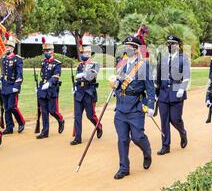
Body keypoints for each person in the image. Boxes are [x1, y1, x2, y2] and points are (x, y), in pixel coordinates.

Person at [111, 36, 155, 180]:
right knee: (122, 139)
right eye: (126, 46)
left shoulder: (144, 65)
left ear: (136, 50)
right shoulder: (121, 64)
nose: (128, 48)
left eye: (131, 46)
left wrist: (151, 106)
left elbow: (150, 88)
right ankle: (124, 168)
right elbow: (119, 82)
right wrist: (115, 85)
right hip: (121, 107)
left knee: (137, 137)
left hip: (136, 106)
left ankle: (147, 150)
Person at [156, 35, 189, 156]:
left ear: (178, 45)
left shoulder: (183, 59)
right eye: (169, 44)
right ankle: (165, 145)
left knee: (175, 118)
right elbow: (158, 78)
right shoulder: (163, 59)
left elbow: (186, 76)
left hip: (177, 91)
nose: (170, 46)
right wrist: (156, 93)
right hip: (163, 94)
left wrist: (182, 88)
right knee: (164, 120)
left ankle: (182, 132)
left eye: (173, 44)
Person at [72, 45, 102, 145]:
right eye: (83, 53)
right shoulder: (80, 65)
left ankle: (98, 126)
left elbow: (91, 76)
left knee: (90, 115)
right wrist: (75, 87)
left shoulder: (95, 64)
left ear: (90, 54)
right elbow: (77, 78)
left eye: (87, 53)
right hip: (79, 92)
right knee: (77, 116)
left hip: (89, 92)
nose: (85, 55)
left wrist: (83, 74)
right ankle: (78, 138)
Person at [36, 38, 65, 139]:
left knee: (53, 111)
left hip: (51, 88)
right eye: (44, 51)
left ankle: (61, 120)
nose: (46, 53)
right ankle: (45, 132)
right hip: (43, 87)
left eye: (48, 51)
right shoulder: (43, 62)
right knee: (44, 110)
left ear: (52, 51)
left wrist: (49, 83)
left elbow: (56, 76)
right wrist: (40, 87)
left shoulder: (57, 63)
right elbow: (43, 75)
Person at [0, 37, 25, 135]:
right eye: (6, 46)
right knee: (6, 108)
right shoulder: (4, 58)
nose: (7, 48)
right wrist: (1, 81)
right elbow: (3, 72)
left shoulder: (17, 59)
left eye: (9, 47)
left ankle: (21, 122)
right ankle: (9, 127)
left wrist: (17, 85)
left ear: (13, 48)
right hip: (5, 85)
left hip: (13, 85)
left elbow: (19, 74)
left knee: (12, 107)